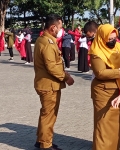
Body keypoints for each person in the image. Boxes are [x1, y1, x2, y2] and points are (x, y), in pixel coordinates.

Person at [88, 24, 120, 150]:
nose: (113, 41)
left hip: (119, 92)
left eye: (115, 38)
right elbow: (100, 73)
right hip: (103, 93)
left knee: (117, 127)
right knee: (103, 128)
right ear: (102, 38)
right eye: (110, 39)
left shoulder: (118, 46)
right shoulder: (96, 52)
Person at [33, 14, 74, 150]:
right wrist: (66, 77)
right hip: (49, 85)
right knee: (49, 115)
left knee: (45, 114)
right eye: (60, 27)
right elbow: (52, 67)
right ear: (52, 28)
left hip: (45, 83)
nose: (61, 30)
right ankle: (46, 144)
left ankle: (41, 140)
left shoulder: (42, 40)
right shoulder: (48, 43)